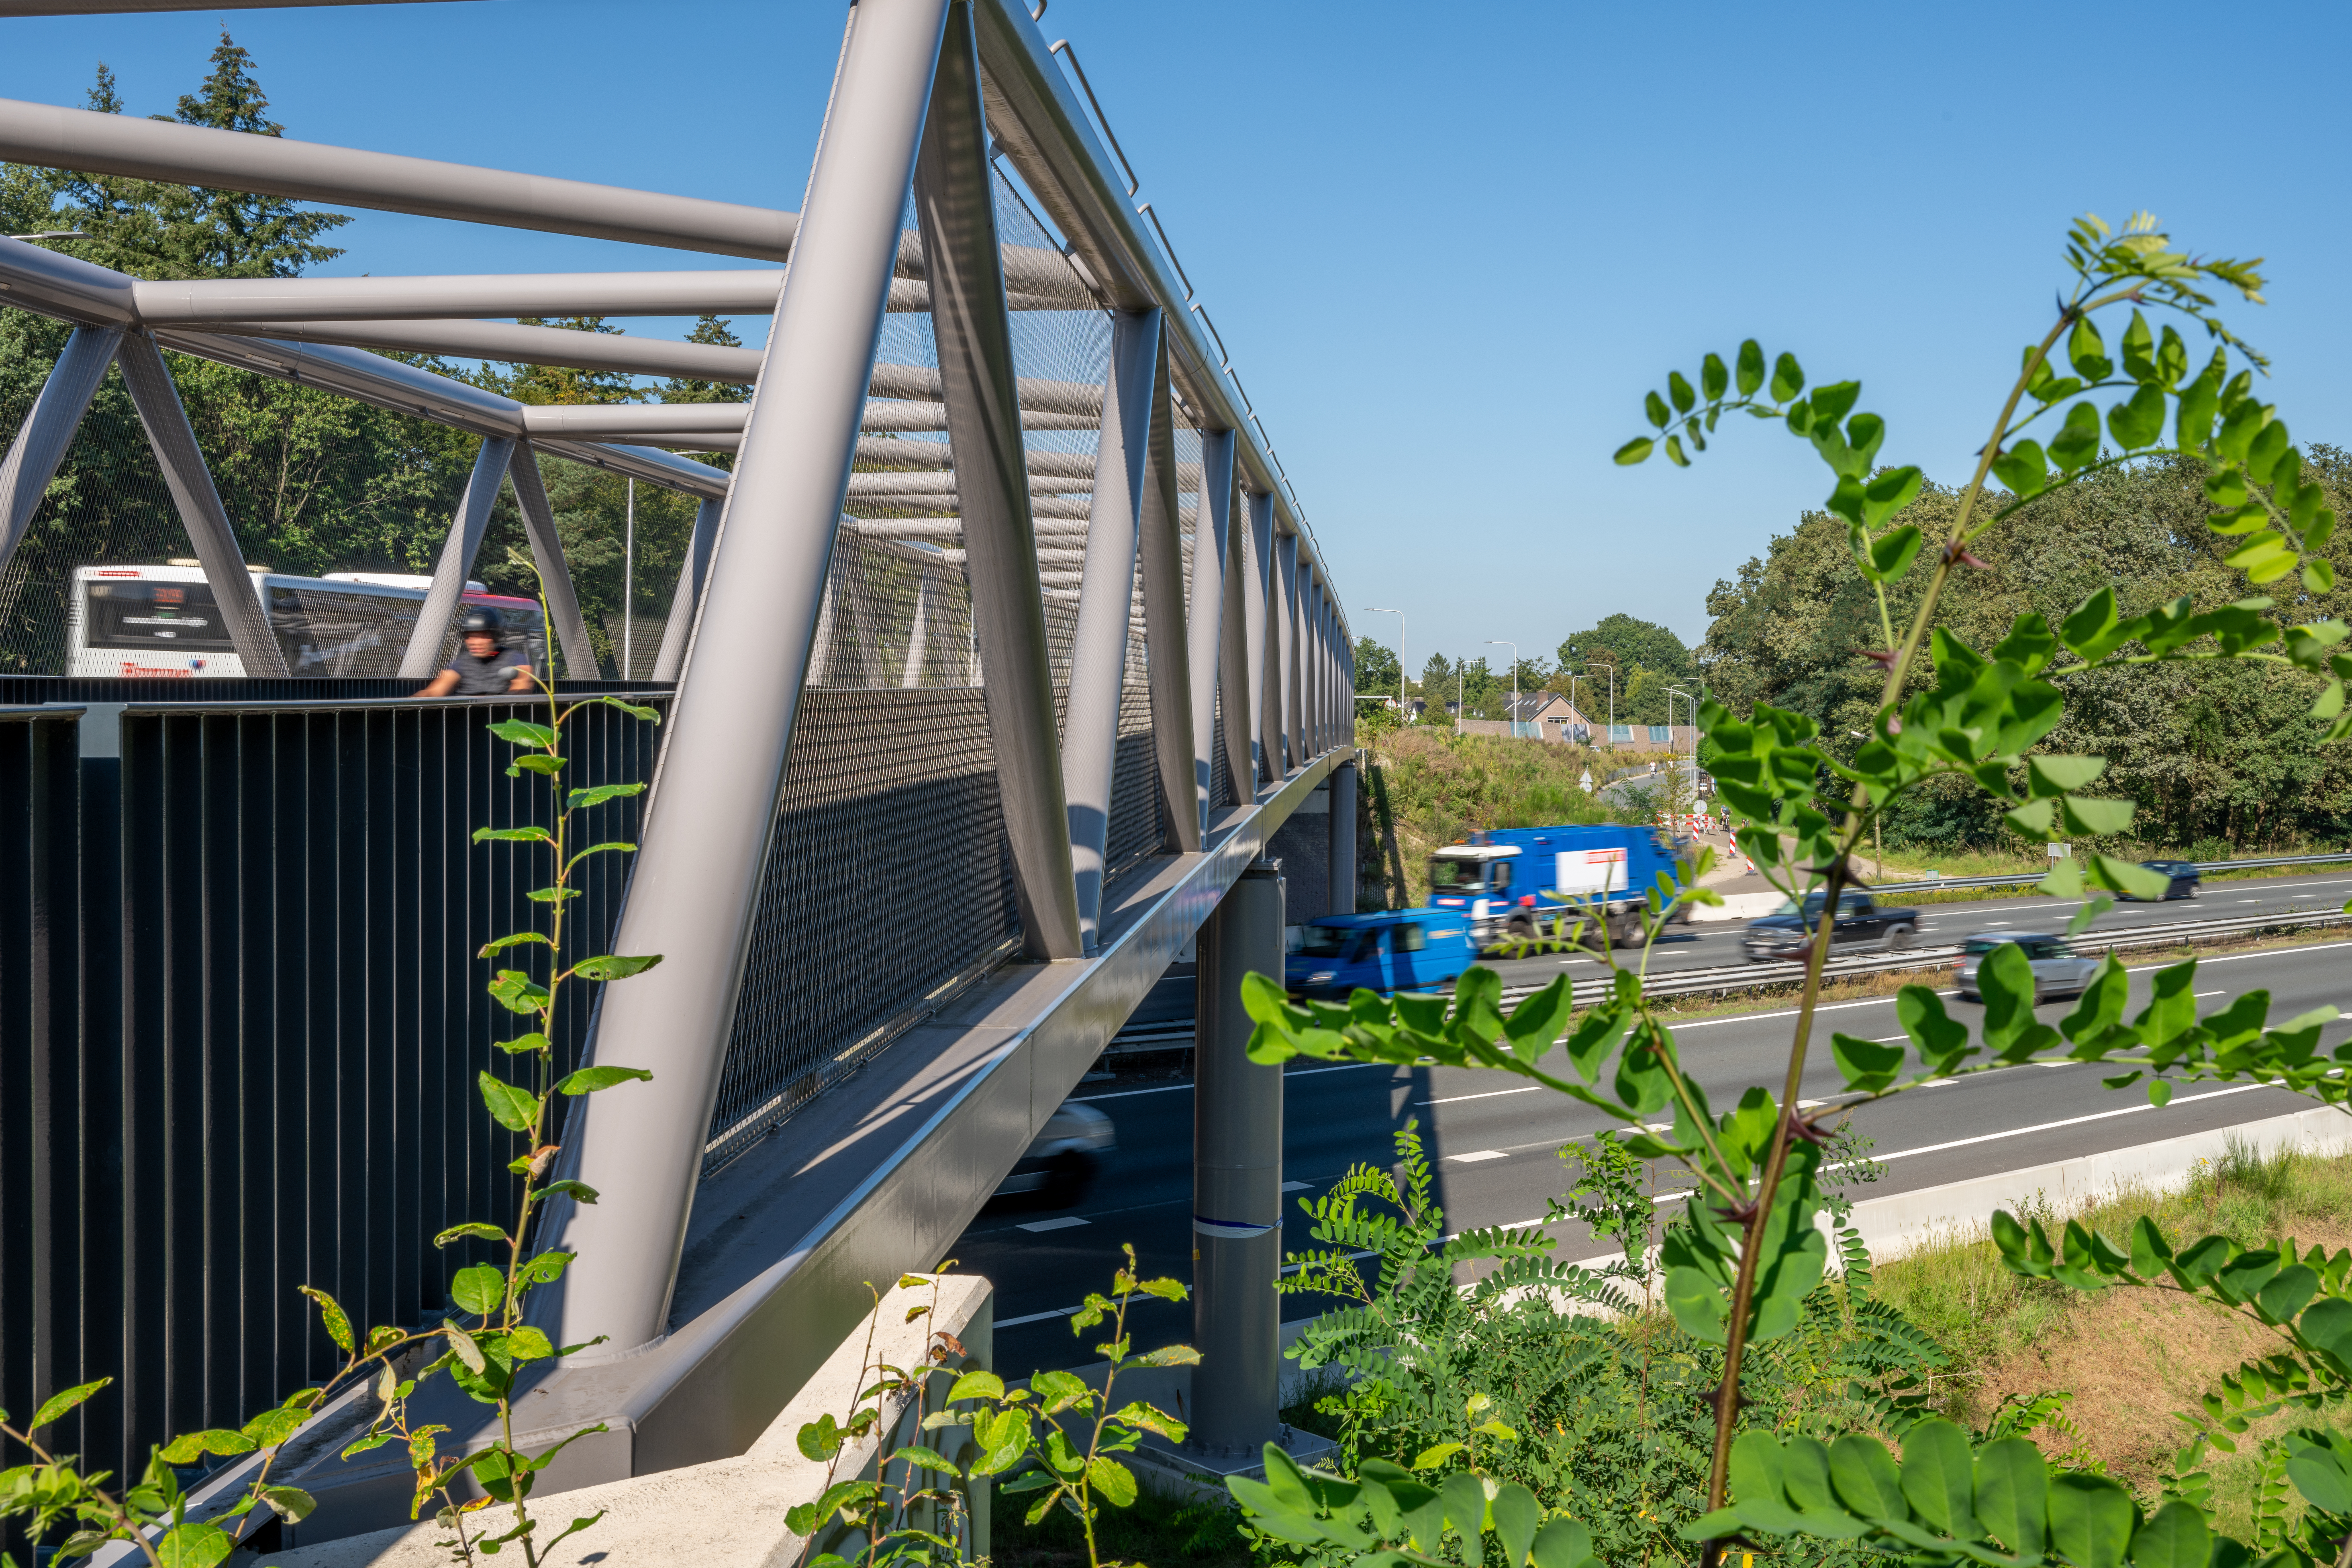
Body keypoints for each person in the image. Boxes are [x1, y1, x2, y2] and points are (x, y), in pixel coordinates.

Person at [418, 607, 535, 696]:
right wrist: (411, 702)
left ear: (496, 636)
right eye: (470, 636)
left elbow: (522, 689)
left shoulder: (516, 659)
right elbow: (435, 691)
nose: (475, 642)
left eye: (483, 636)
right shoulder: (462, 662)